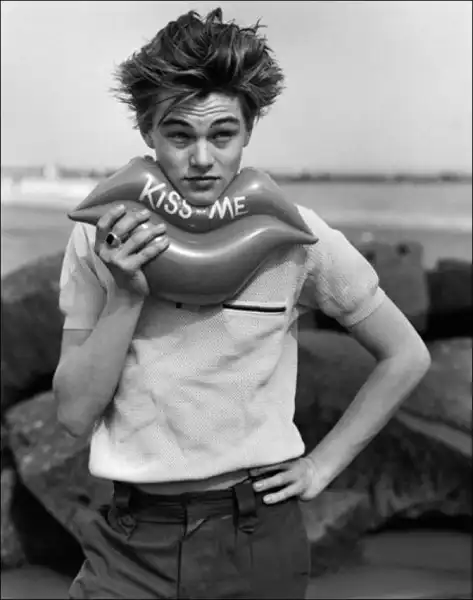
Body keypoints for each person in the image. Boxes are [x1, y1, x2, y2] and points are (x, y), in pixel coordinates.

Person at [53, 7, 431, 599]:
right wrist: (126, 295)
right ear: (148, 133)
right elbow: (74, 414)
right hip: (130, 539)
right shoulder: (101, 238)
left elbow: (406, 355)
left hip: (254, 534)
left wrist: (322, 465)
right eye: (180, 135)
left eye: (222, 134)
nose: (202, 159)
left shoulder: (298, 239)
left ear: (248, 131)